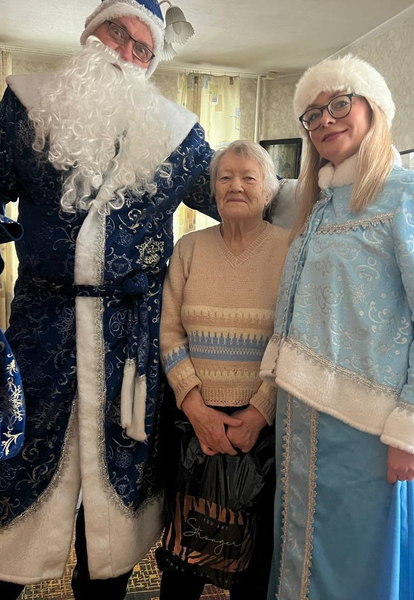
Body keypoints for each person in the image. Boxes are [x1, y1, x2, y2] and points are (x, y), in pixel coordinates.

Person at [0, 1, 220, 598]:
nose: (124, 52)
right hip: (41, 335)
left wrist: (321, 192)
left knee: (113, 522)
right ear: (89, 33)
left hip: (131, 347)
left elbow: (239, 191)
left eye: (141, 48)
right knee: (9, 500)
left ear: (151, 63)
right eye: (116, 32)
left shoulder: (176, 133)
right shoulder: (27, 105)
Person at [261, 55, 414, 600]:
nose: (325, 120)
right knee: (300, 557)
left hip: (369, 430)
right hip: (300, 418)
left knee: (356, 568)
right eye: (312, 114)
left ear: (373, 109)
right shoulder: (316, 207)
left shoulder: (412, 193)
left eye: (339, 104)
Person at [158, 141, 289, 599]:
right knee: (185, 557)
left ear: (268, 191)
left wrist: (259, 412)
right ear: (212, 189)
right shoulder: (189, 248)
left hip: (262, 430)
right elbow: (170, 333)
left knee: (252, 561)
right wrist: (196, 408)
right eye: (225, 177)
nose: (235, 186)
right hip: (193, 423)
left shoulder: (289, 250)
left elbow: (293, 338)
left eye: (249, 177)